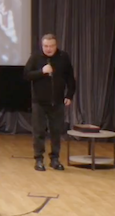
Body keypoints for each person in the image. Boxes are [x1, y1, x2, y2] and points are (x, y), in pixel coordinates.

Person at [23, 34, 76, 171]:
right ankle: (39, 159)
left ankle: (55, 159)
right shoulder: (35, 57)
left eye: (51, 46)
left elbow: (70, 77)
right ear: (42, 46)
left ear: (56, 45)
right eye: (45, 46)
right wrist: (41, 72)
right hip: (39, 102)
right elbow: (26, 75)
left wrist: (69, 95)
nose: (48, 49)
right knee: (39, 132)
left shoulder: (63, 57)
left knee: (56, 132)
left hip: (57, 102)